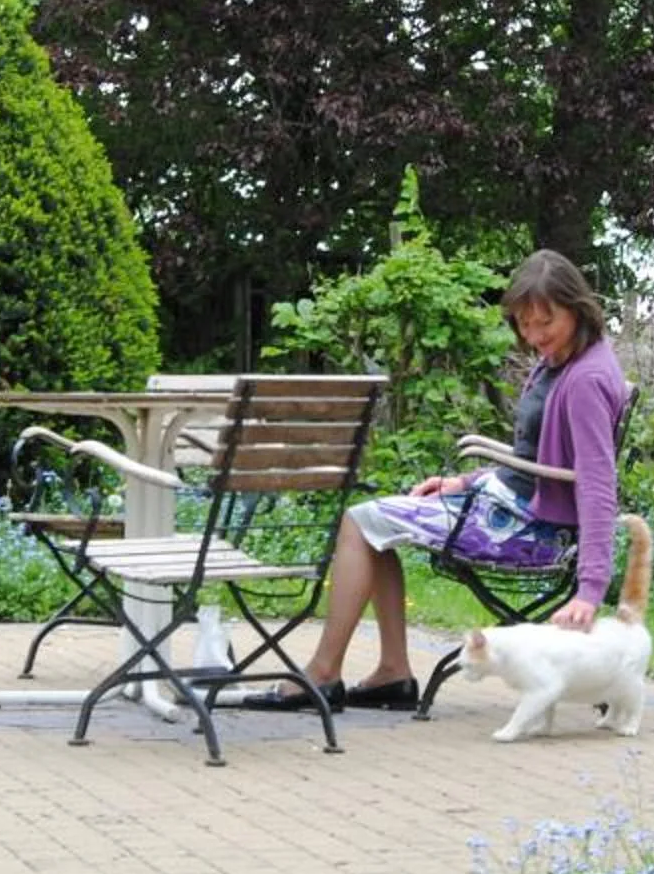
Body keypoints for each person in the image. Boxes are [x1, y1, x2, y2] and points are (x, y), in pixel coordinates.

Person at [235, 248, 631, 713]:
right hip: (514, 507)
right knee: (374, 526)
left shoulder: (584, 380)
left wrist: (590, 589)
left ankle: (326, 674)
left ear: (576, 309)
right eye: (525, 324)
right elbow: (536, 461)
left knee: (361, 523)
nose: (534, 335)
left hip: (531, 532)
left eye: (546, 322)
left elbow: (596, 483)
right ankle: (391, 674)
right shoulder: (563, 359)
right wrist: (465, 482)